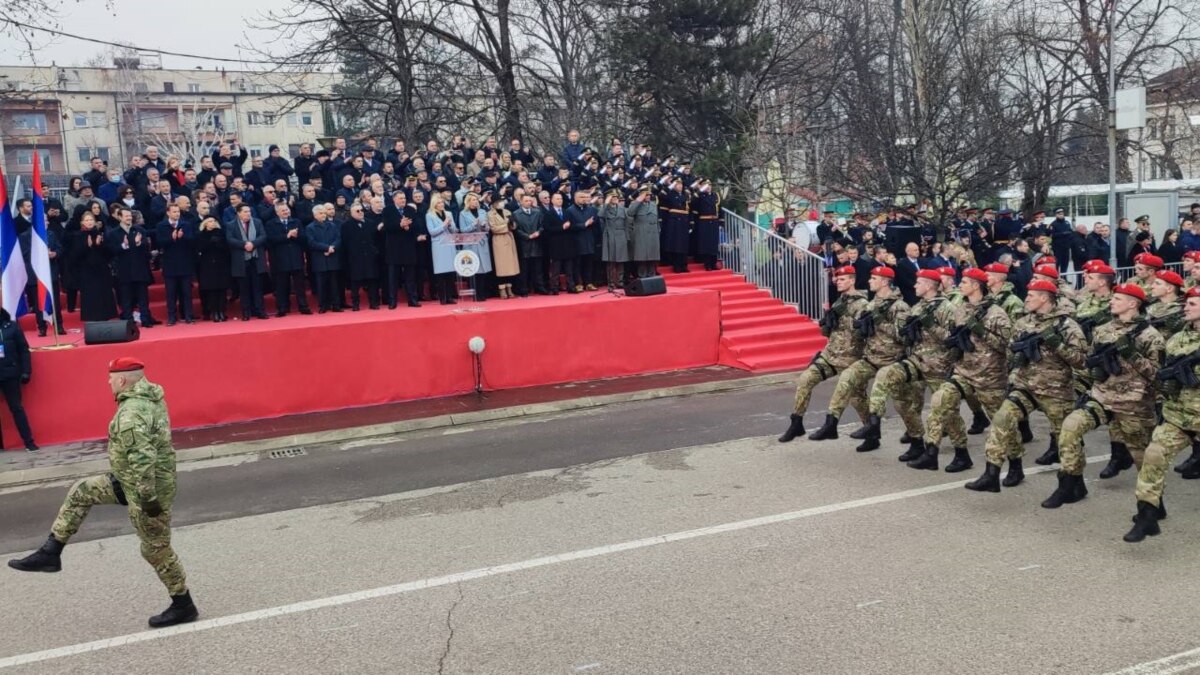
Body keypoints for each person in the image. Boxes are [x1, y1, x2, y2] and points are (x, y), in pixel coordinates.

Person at [8, 357, 198, 629]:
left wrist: (149, 501)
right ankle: (51, 552)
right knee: (81, 492)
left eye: (111, 378)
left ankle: (183, 604)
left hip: (146, 492)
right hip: (128, 481)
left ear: (122, 380)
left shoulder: (130, 414)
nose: (108, 382)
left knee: (156, 550)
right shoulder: (152, 396)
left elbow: (143, 459)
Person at [1044, 283, 1163, 509]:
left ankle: (1152, 505)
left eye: (1118, 299)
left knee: (1141, 457)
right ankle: (1070, 483)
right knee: (1070, 427)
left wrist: (1131, 354)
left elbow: (1158, 376)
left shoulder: (1150, 336)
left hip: (1133, 404)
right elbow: (1089, 360)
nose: (1112, 302)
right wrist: (1091, 375)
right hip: (1101, 397)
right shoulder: (1102, 329)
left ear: (1133, 303)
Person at [964, 280, 1086, 492]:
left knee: (1066, 440)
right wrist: (1014, 372)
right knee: (1002, 419)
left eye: (1032, 295)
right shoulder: (1023, 323)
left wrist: (1057, 345)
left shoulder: (1066, 326)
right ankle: (992, 473)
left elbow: (1082, 361)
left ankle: (1074, 483)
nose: (1027, 298)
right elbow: (1011, 353)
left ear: (1045, 297)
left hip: (1055, 391)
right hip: (1025, 387)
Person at [1125, 286, 1200, 541]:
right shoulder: (1178, 339)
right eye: (1186, 302)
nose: (1186, 307)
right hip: (1179, 416)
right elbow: (1162, 372)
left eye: (1193, 303)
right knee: (1153, 455)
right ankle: (1147, 515)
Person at [920, 267, 1012, 473]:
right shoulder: (961, 310)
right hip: (964, 372)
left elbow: (1006, 345)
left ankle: (1016, 464)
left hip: (990, 377)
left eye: (964, 282)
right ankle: (940, 452)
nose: (959, 285)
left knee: (1002, 424)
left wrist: (982, 331)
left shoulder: (996, 313)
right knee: (941, 401)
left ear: (976, 286)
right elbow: (956, 341)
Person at [810, 266, 910, 448]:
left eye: (874, 278)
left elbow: (903, 336)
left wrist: (878, 323)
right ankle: (831, 423)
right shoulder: (871, 305)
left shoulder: (900, 306)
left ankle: (917, 438)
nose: (869, 281)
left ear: (885, 281)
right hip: (871, 358)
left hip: (892, 360)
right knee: (847, 378)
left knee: (903, 405)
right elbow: (860, 335)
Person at [862, 269, 957, 461]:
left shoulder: (948, 308)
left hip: (938, 367)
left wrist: (931, 325)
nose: (914, 285)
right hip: (916, 362)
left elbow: (953, 340)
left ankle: (961, 452)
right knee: (903, 402)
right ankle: (911, 441)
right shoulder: (917, 307)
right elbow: (905, 338)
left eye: (918, 282)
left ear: (930, 285)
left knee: (946, 413)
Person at [778, 266, 869, 442]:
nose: (838, 282)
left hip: (851, 357)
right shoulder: (839, 302)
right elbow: (829, 333)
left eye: (842, 279)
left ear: (852, 280)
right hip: (831, 354)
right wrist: (827, 324)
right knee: (806, 379)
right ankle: (796, 422)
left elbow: (864, 334)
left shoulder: (863, 305)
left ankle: (870, 429)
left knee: (858, 398)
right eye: (837, 279)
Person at [107, 206, 157, 327]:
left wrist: (139, 243)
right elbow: (111, 251)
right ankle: (129, 320)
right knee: (126, 297)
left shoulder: (139, 230)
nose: (129, 218)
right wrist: (124, 245)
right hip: (124, 270)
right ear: (119, 217)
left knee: (143, 297)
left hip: (140, 268)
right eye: (126, 216)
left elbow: (146, 248)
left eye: (130, 216)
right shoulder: (114, 233)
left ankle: (145, 319)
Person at [265, 202, 312, 317]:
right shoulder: (271, 224)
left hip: (296, 257)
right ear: (277, 212)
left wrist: (296, 236)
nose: (286, 212)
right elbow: (270, 240)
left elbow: (304, 238)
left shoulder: (296, 222)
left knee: (299, 285)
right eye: (283, 211)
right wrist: (287, 236)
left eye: (287, 210)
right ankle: (282, 307)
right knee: (281, 285)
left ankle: (303, 306)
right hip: (279, 259)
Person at [70, 211, 118, 322]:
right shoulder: (78, 236)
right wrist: (87, 246)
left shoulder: (100, 234)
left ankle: (106, 317)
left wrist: (99, 245)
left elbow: (109, 254)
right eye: (87, 220)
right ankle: (92, 319)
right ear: (82, 222)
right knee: (91, 295)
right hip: (87, 271)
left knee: (104, 293)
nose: (89, 222)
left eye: (91, 220)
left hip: (101, 270)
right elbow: (74, 256)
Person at [0, 309, 37, 451]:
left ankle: (29, 442)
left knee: (16, 408)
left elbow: (23, 350)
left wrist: (26, 371)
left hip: (10, 374)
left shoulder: (12, 327)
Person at [226, 204, 269, 321]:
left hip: (256, 258)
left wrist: (253, 244)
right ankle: (246, 312)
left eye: (249, 211)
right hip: (241, 260)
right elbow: (229, 239)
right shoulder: (231, 225)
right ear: (238, 213)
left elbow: (263, 236)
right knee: (244, 288)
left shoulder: (257, 222)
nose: (248, 214)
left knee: (258, 287)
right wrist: (244, 244)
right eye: (245, 212)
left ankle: (260, 311)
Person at [155, 204, 196, 325]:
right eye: (174, 212)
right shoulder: (161, 226)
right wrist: (171, 238)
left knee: (187, 292)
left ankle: (189, 315)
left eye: (178, 212)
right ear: (168, 213)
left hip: (185, 263)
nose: (177, 214)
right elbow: (159, 243)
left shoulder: (186, 224)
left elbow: (192, 241)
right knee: (171, 293)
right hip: (170, 264)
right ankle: (172, 317)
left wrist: (182, 237)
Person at [306, 205, 344, 312]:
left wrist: (332, 247)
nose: (324, 215)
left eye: (324, 213)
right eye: (321, 213)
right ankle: (323, 305)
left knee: (334, 284)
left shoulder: (332, 225)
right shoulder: (310, 227)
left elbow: (338, 238)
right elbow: (312, 242)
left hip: (332, 257)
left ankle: (336, 305)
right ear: (315, 215)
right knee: (321, 284)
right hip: (320, 259)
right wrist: (326, 248)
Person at [195, 217, 231, 322]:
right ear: (205, 224)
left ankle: (222, 311)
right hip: (208, 265)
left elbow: (226, 247)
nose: (213, 223)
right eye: (210, 221)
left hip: (221, 264)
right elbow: (200, 248)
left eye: (214, 221)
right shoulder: (201, 235)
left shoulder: (221, 233)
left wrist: (218, 243)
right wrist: (210, 242)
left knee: (222, 290)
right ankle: (214, 312)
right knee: (212, 290)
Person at [425, 195, 459, 304]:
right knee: (441, 273)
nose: (441, 205)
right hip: (439, 245)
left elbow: (454, 230)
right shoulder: (429, 215)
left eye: (442, 203)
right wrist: (444, 225)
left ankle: (450, 296)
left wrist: (450, 226)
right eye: (439, 203)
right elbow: (432, 232)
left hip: (449, 244)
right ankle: (442, 297)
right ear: (434, 204)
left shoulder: (449, 214)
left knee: (450, 272)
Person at [512, 194, 547, 295]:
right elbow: (516, 229)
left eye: (530, 201)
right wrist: (527, 236)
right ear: (521, 202)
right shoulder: (516, 214)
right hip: (524, 244)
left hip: (536, 243)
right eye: (526, 201)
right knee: (524, 269)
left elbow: (542, 225)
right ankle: (523, 289)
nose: (528, 202)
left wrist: (538, 232)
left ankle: (540, 287)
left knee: (538, 268)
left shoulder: (537, 212)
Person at [566, 190, 599, 291]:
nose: (584, 199)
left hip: (589, 240)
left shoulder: (591, 209)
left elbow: (596, 224)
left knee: (589, 263)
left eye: (585, 197)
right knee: (577, 264)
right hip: (576, 241)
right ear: (575, 198)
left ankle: (588, 283)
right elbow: (570, 226)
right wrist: (584, 224)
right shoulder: (569, 210)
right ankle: (578, 283)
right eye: (581, 197)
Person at [599, 189, 631, 289]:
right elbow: (600, 215)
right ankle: (611, 282)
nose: (615, 199)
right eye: (612, 197)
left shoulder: (622, 209)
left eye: (616, 197)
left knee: (621, 260)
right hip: (610, 235)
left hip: (621, 235)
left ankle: (620, 281)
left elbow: (626, 224)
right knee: (611, 261)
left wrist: (627, 237)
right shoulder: (605, 208)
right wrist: (606, 203)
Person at [543, 192, 574, 294]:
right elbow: (547, 229)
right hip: (555, 244)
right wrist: (562, 227)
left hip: (567, 243)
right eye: (557, 199)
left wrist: (568, 227)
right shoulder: (548, 213)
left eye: (561, 199)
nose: (560, 200)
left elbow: (572, 226)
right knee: (556, 268)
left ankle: (571, 286)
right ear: (552, 201)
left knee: (569, 268)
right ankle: (554, 287)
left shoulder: (567, 212)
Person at [488, 199, 520, 298]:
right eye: (498, 202)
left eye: (502, 201)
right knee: (501, 265)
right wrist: (506, 224)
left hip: (509, 238)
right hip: (499, 239)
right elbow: (494, 228)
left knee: (509, 265)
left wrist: (512, 224)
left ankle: (509, 287)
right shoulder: (490, 214)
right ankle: (501, 288)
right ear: (494, 203)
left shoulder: (507, 212)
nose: (501, 204)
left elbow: (514, 226)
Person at [627, 185, 660, 279]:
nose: (648, 196)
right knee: (642, 257)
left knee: (652, 257)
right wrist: (638, 200)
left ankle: (652, 276)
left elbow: (656, 219)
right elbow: (630, 213)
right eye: (646, 195)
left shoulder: (653, 204)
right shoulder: (636, 204)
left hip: (653, 233)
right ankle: (643, 277)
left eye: (649, 195)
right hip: (642, 232)